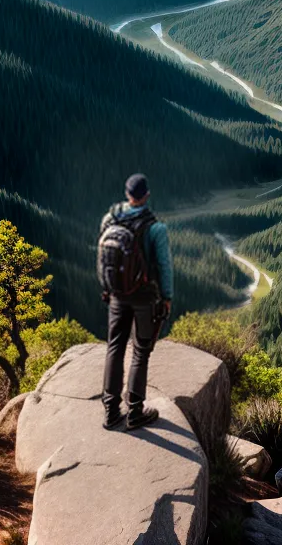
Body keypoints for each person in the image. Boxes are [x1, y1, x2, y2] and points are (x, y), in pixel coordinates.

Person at [98, 172, 173, 431]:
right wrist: (167, 297)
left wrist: (107, 288)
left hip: (117, 295)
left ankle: (110, 411)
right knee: (140, 350)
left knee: (114, 347)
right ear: (146, 195)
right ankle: (136, 411)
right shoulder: (155, 228)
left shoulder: (109, 219)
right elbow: (164, 266)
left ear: (127, 195)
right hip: (144, 298)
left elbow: (105, 260)